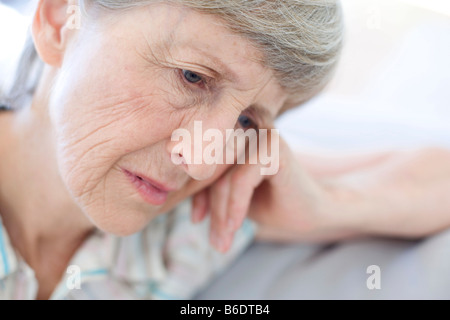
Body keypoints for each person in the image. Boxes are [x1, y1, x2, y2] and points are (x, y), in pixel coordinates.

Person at [1, 0, 449, 300]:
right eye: (192, 77)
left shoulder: (199, 219)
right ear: (60, 21)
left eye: (245, 120)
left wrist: (325, 204)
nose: (202, 162)